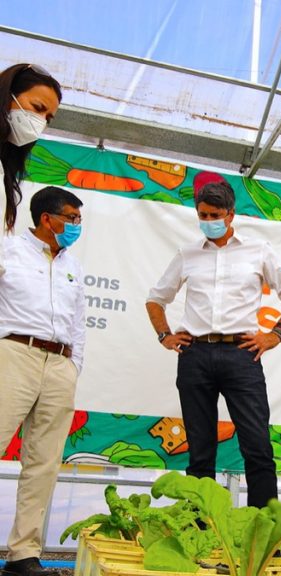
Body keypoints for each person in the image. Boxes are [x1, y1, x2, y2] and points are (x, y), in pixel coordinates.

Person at [146, 181, 281, 508]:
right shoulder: (187, 254)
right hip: (195, 355)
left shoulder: (258, 251)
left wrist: (275, 334)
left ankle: (262, 530)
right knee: (200, 450)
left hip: (241, 355)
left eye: (215, 215)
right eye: (202, 214)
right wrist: (165, 335)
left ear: (231, 215)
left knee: (257, 446)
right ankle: (201, 528)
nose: (208, 220)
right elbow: (155, 299)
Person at [0, 186, 85, 576]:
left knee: (44, 461)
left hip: (60, 363)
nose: (77, 226)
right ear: (47, 219)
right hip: (15, 353)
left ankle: (22, 554)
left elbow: (79, 322)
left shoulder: (73, 264)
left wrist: (74, 366)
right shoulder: (9, 250)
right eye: (71, 218)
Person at [0, 64, 62, 274]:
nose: (41, 122)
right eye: (37, 108)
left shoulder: (4, 168)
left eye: (48, 118)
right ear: (7, 96)